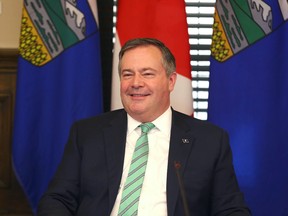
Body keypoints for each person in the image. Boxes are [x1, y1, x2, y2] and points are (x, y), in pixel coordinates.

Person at [37, 38, 251, 215]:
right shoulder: (87, 133)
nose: (135, 83)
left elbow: (231, 209)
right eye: (127, 74)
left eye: (147, 73)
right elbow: (56, 199)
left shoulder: (209, 140)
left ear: (171, 81)